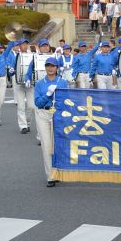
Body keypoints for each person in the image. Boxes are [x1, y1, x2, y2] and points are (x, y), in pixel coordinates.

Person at [35, 57, 68, 187]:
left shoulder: (63, 82)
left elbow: (67, 101)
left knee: (58, 145)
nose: (50, 68)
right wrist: (47, 95)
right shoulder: (40, 83)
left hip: (58, 115)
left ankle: (57, 171)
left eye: (53, 66)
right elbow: (37, 103)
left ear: (57, 68)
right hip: (43, 114)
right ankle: (50, 176)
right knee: (47, 145)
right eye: (48, 65)